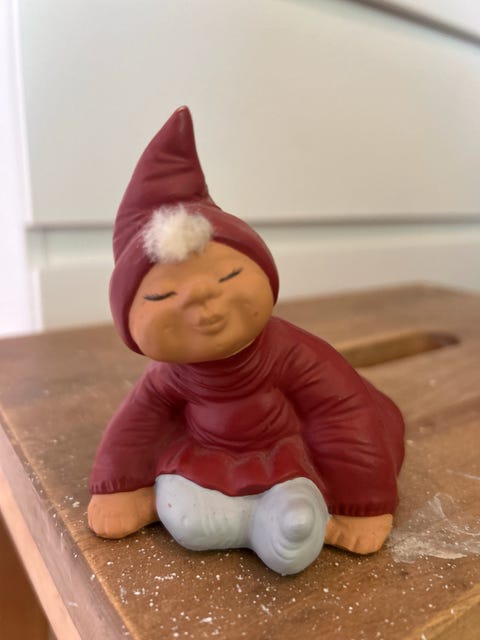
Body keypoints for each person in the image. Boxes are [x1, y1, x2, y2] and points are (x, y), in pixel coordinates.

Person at [88, 107, 404, 575]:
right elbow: (138, 422)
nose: (203, 304)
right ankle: (213, 514)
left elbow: (340, 411)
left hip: (285, 454)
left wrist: (362, 501)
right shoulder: (171, 376)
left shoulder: (291, 353)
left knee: (292, 531)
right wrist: (119, 484)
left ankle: (291, 516)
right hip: (207, 457)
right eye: (162, 295)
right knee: (190, 522)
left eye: (228, 276)